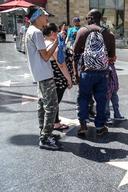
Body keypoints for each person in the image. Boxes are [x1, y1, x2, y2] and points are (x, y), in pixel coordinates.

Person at [73, 9, 116, 137]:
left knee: (83, 98)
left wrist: (76, 73)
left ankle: (83, 126)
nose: (86, 20)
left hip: (86, 72)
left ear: (91, 18)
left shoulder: (82, 31)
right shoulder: (108, 34)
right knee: (101, 100)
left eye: (87, 18)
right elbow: (112, 57)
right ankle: (100, 126)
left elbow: (74, 53)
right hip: (103, 73)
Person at [25, 7, 63, 150]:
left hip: (39, 74)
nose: (47, 19)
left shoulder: (30, 31)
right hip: (45, 75)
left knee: (42, 105)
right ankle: (45, 138)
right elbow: (46, 56)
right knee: (52, 107)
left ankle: (43, 132)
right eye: (44, 16)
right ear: (37, 17)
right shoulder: (36, 33)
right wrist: (57, 42)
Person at [43, 23, 73, 130]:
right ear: (52, 33)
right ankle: (55, 123)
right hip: (58, 77)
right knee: (56, 101)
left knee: (53, 100)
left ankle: (55, 121)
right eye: (57, 32)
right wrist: (69, 79)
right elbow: (61, 64)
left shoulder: (44, 42)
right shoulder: (52, 45)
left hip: (50, 76)